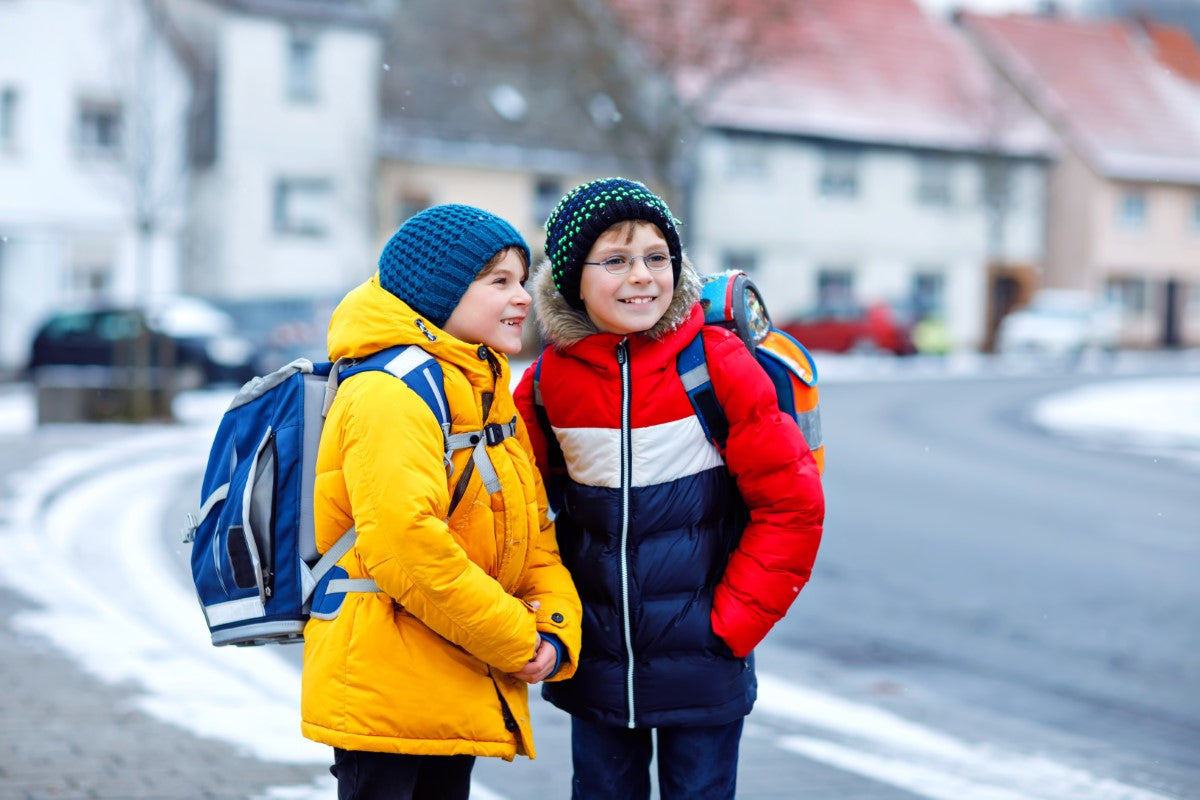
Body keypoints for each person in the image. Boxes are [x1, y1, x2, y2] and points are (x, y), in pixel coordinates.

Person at [513, 178, 825, 800]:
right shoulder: (550, 383)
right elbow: (522, 513)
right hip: (598, 659)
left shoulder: (714, 362)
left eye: (657, 258)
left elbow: (792, 504)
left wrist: (731, 624)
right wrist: (547, 618)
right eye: (616, 260)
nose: (642, 277)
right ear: (574, 277)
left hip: (704, 660)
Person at [301, 204, 582, 800]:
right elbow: (407, 547)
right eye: (498, 281)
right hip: (388, 688)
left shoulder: (482, 387)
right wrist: (515, 638)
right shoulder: (389, 394)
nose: (524, 298)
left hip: (454, 674)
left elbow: (533, 536)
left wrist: (553, 628)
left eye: (523, 280)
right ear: (440, 291)